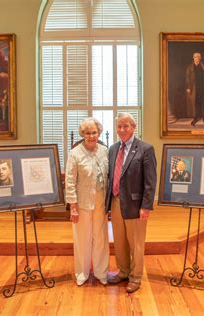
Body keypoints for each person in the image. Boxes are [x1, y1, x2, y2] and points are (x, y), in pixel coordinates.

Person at [105, 113, 157, 293]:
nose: (122, 130)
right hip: (116, 201)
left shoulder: (145, 149)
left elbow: (150, 181)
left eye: (125, 126)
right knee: (119, 241)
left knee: (136, 243)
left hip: (136, 205)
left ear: (134, 127)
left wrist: (146, 206)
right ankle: (124, 271)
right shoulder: (112, 149)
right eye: (119, 126)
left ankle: (135, 277)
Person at [65, 118, 109, 286]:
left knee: (100, 238)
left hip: (101, 202)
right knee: (82, 239)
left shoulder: (105, 151)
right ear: (82, 134)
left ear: (98, 133)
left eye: (94, 132)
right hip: (82, 203)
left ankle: (101, 272)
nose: (91, 136)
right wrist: (73, 207)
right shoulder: (75, 153)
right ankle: (82, 273)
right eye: (87, 133)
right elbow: (70, 181)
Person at [186, 52, 204, 126]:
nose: (196, 58)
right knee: (195, 103)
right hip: (194, 88)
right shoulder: (190, 67)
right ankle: (195, 118)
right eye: (195, 57)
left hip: (202, 87)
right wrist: (188, 87)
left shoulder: (202, 66)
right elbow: (187, 78)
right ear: (193, 58)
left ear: (200, 58)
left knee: (203, 103)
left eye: (198, 57)